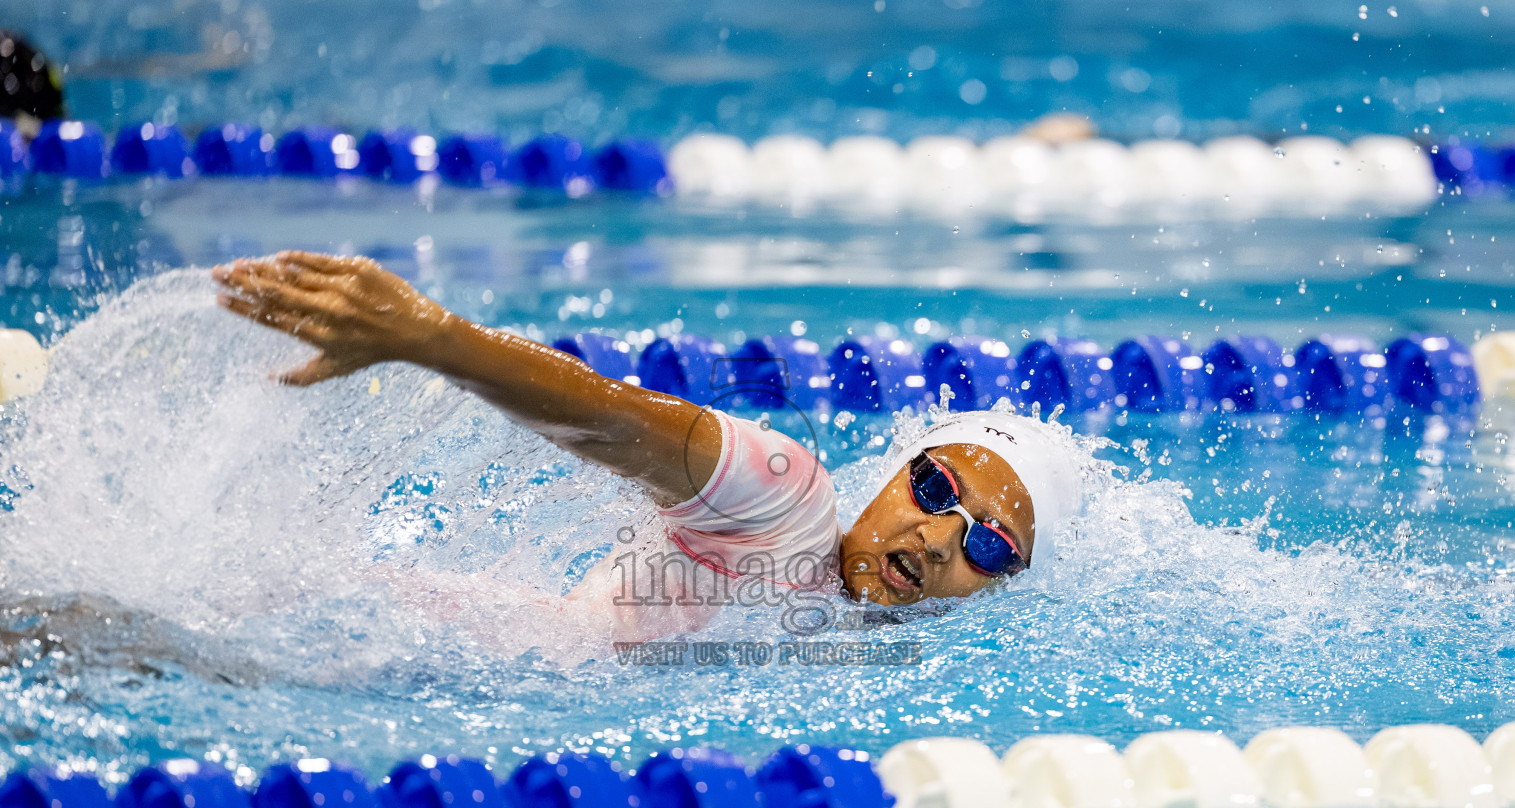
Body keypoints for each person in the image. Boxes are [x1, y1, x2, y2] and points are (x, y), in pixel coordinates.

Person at [212, 252, 1082, 641]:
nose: (938, 538)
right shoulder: (787, 500)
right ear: (894, 475)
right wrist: (432, 338)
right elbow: (610, 416)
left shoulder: (891, 657)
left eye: (991, 544)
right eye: (934, 489)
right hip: (370, 640)